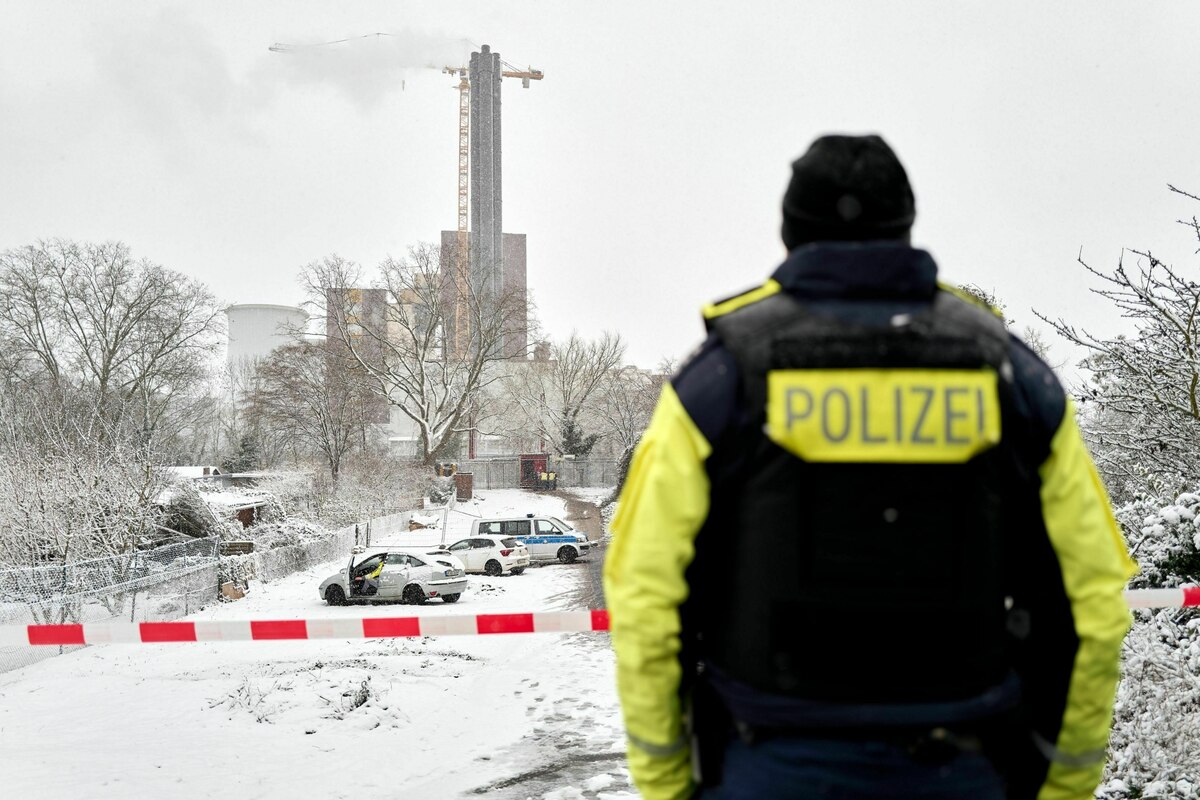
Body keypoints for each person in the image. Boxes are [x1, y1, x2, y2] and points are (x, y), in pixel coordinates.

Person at [603, 134, 1136, 800]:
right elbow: (1092, 598)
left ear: (790, 234)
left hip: (768, 768)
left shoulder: (720, 381)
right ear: (905, 226)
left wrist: (666, 781)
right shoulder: (1012, 378)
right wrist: (1064, 781)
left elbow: (645, 591)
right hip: (963, 769)